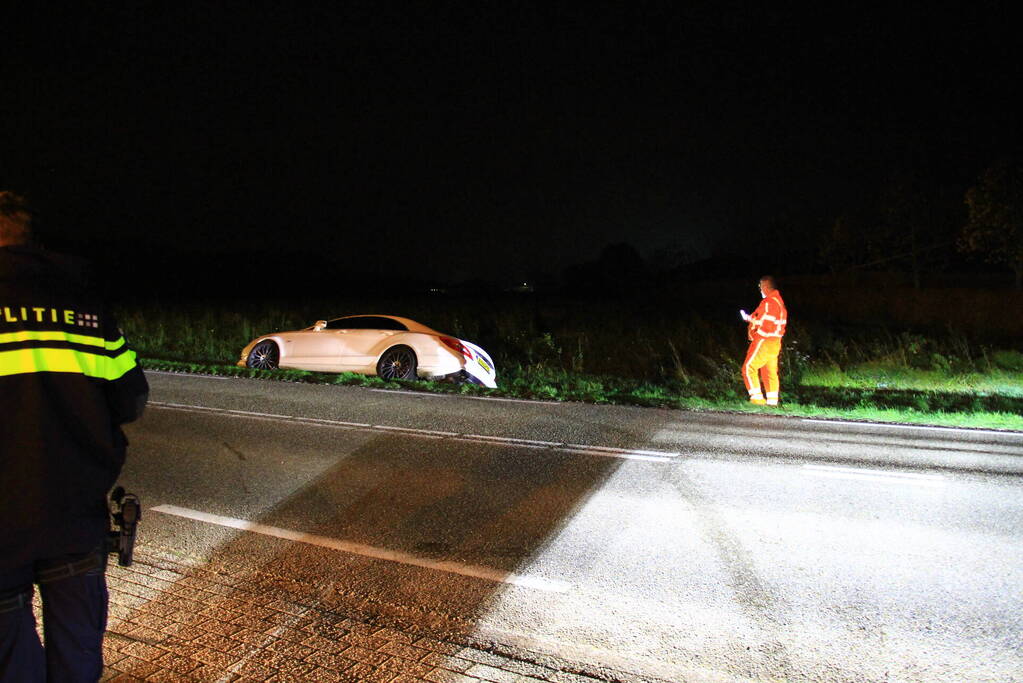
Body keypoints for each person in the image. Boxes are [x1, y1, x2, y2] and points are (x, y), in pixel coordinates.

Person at [0, 191, 149, 682]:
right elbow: (130, 400)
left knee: (10, 656)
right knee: (78, 651)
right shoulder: (84, 306)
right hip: (74, 513)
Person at [739, 275, 787, 405]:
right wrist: (750, 318)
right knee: (769, 372)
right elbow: (765, 320)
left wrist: (756, 335)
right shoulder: (779, 301)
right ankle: (772, 402)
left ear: (765, 286)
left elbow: (766, 324)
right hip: (775, 342)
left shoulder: (769, 302)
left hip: (764, 341)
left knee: (748, 368)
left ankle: (757, 399)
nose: (760, 289)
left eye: (760, 286)